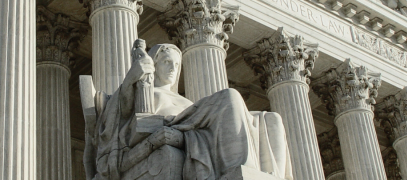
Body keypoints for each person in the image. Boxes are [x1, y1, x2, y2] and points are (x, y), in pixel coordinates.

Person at [88, 41, 293, 180]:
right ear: (154, 64)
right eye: (166, 62)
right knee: (229, 97)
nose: (172, 68)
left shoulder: (184, 100)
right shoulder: (146, 91)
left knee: (272, 119)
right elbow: (121, 116)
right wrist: (133, 78)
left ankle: (267, 175)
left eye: (176, 64)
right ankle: (236, 171)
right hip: (176, 125)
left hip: (193, 128)